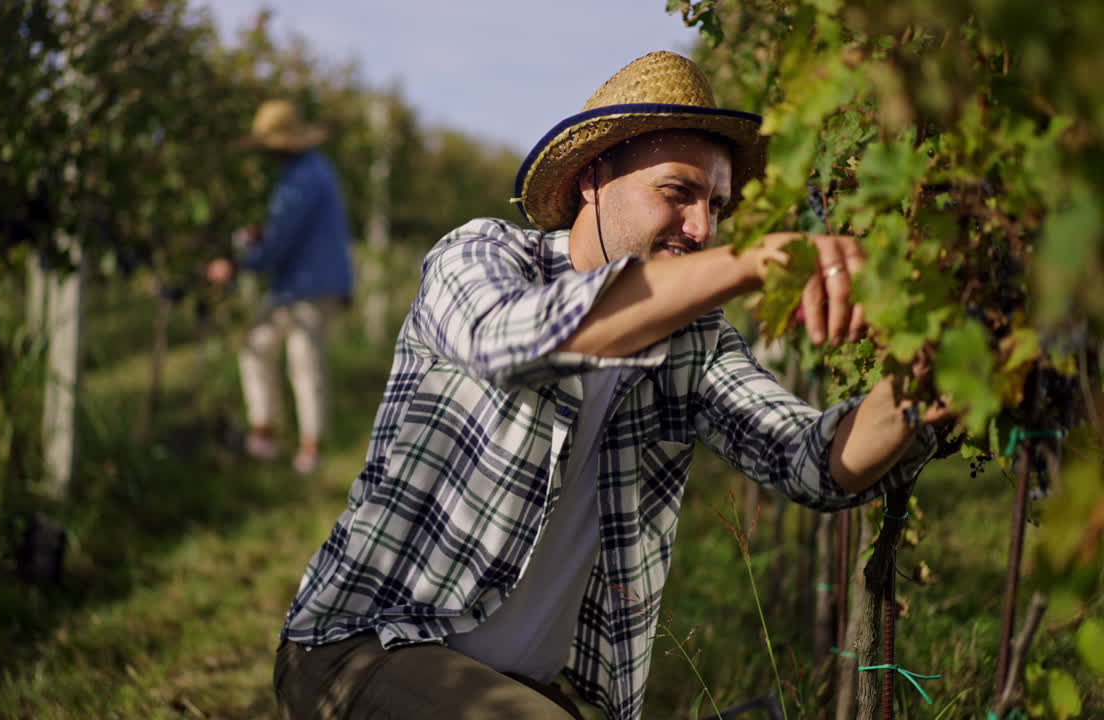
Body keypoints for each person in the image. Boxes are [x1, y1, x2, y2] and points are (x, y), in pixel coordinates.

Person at [272, 52, 949, 719]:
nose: (703, 228)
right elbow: (522, 339)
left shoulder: (692, 339)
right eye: (677, 193)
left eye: (716, 204)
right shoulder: (480, 257)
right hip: (367, 645)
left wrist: (927, 376)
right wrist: (755, 260)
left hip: (526, 686)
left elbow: (813, 463)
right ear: (594, 178)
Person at [208, 99, 354, 475]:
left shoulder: (303, 177)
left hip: (312, 282)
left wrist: (240, 264)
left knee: (304, 362)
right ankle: (266, 434)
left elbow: (283, 237)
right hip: (296, 281)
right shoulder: (307, 172)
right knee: (258, 344)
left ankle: (310, 449)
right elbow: (287, 231)